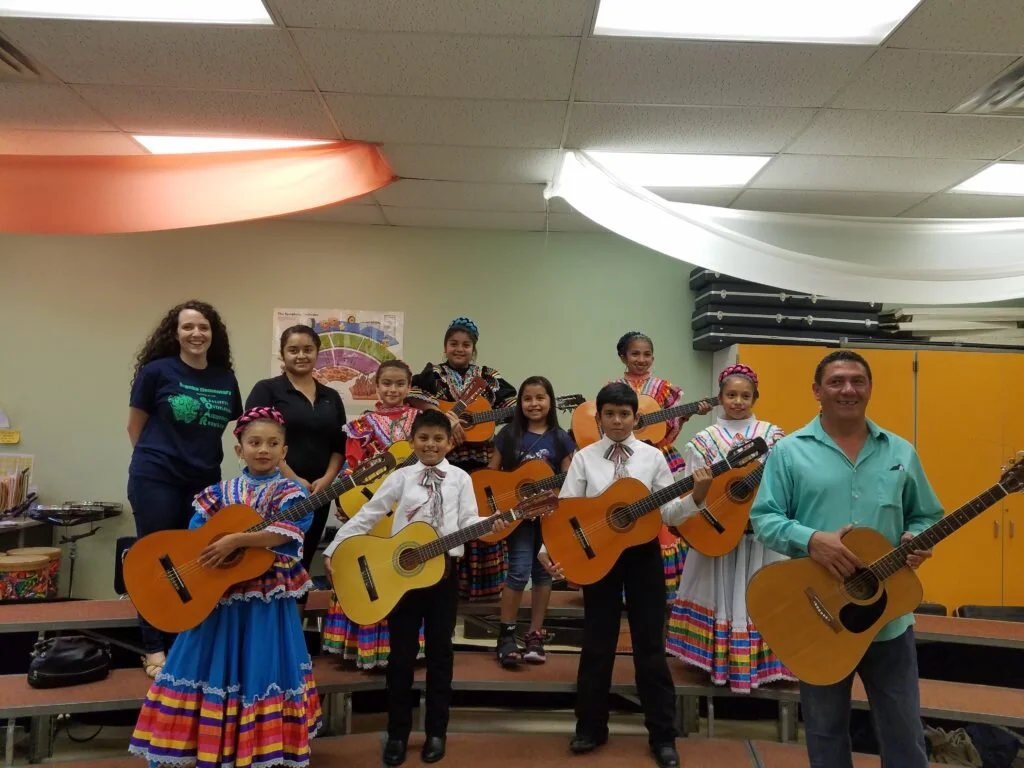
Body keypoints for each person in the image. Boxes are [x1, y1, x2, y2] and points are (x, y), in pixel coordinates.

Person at [750, 350, 941, 768]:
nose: (848, 389)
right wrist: (810, 540)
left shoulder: (901, 452)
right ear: (817, 391)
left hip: (889, 622)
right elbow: (764, 519)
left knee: (905, 733)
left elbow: (927, 515)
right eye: (836, 381)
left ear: (870, 389)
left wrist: (919, 538)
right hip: (819, 619)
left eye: (857, 380)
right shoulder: (789, 452)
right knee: (824, 732)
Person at [129, 407, 322, 768]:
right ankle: (207, 745)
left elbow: (286, 533)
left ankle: (257, 749)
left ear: (284, 451)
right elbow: (196, 536)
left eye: (273, 444)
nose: (263, 450)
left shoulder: (292, 493)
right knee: (204, 663)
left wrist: (236, 540)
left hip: (266, 597)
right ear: (239, 450)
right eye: (254, 442)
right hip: (218, 594)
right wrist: (218, 544)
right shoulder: (219, 492)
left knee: (262, 664)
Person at [324, 409, 491, 767]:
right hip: (400, 579)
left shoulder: (461, 478)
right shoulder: (400, 477)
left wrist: (493, 523)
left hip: (444, 577)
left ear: (449, 443)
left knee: (440, 656)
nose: (431, 445)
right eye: (423, 438)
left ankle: (436, 732)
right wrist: (335, 547)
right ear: (412, 441)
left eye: (438, 439)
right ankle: (397, 733)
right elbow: (369, 514)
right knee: (400, 657)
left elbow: (468, 520)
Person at [539, 383, 686, 768]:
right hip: (598, 557)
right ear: (599, 418)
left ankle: (663, 735)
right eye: (610, 414)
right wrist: (548, 550)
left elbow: (670, 512)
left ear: (636, 418)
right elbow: (567, 510)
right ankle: (590, 727)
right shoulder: (585, 458)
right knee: (597, 644)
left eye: (624, 414)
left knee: (650, 648)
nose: (618, 421)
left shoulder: (653, 457)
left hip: (642, 556)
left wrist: (698, 495)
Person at [127, 300, 242, 678]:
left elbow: (236, 427)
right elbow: (134, 427)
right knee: (155, 558)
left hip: (204, 481)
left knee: (194, 562)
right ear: (175, 333)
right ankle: (153, 647)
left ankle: (183, 643)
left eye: (203, 327)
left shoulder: (225, 378)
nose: (196, 333)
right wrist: (156, 462)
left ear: (213, 334)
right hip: (157, 477)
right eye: (188, 327)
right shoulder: (157, 372)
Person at [666, 363, 793, 693]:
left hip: (759, 534)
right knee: (720, 595)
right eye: (731, 395)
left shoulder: (773, 436)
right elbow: (694, 489)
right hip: (718, 530)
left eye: (745, 396)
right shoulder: (704, 440)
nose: (738, 401)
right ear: (720, 397)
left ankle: (759, 666)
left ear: (755, 398)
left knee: (760, 593)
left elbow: (783, 480)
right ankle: (718, 663)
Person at [322, 359, 425, 669]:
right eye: (386, 383)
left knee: (403, 568)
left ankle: (404, 647)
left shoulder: (421, 421)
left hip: (411, 509)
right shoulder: (362, 426)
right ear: (376, 386)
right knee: (370, 568)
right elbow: (351, 467)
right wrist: (346, 502)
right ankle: (367, 647)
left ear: (409, 386)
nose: (393, 389)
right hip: (373, 509)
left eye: (399, 384)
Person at [409, 317, 517, 602]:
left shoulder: (488, 377)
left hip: (480, 458)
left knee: (479, 509)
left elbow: (511, 405)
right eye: (453, 343)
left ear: (474, 348)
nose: (459, 349)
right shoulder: (433, 374)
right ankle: (441, 584)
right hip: (444, 456)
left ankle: (481, 589)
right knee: (444, 513)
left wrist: (486, 419)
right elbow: (413, 395)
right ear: (445, 346)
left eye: (466, 345)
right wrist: (445, 416)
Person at [612, 331, 712, 602]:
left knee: (664, 518)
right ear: (623, 357)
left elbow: (668, 426)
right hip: (624, 458)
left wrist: (688, 413)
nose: (641, 359)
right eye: (635, 354)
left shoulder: (664, 388)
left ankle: (661, 591)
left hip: (660, 455)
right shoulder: (615, 387)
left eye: (647, 354)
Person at [488, 376, 575, 667]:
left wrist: (552, 495)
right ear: (520, 403)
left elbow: (569, 482)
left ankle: (535, 634)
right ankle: (506, 635)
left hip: (549, 518)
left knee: (543, 574)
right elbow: (491, 475)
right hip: (518, 519)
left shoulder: (561, 438)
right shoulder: (507, 435)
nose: (534, 404)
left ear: (550, 401)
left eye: (540, 398)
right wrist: (499, 506)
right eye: (528, 398)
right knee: (518, 571)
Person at [245, 324, 346, 574]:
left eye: (307, 349)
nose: (301, 355)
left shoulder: (331, 396)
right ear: (282, 354)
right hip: (274, 488)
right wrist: (294, 479)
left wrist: (327, 480)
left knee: (303, 562)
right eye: (293, 350)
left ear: (317, 353)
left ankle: (299, 602)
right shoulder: (267, 389)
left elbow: (339, 445)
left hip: (318, 493)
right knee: (269, 562)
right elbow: (254, 439)